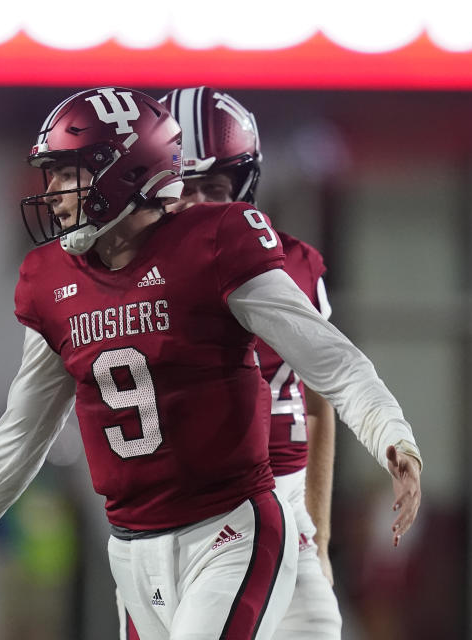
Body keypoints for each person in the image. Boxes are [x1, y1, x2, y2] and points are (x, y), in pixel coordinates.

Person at [0, 87, 423, 640]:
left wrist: (392, 436)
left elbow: (333, 364)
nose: (54, 194)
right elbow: (23, 432)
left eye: (68, 174)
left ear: (121, 173)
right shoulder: (53, 282)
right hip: (133, 550)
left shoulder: (214, 244)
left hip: (229, 530)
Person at [129, 86, 343, 639]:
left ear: (243, 188)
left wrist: (317, 530)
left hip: (284, 507)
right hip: (189, 523)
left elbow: (320, 398)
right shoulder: (125, 283)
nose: (198, 206)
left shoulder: (292, 266)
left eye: (214, 189)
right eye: (184, 188)